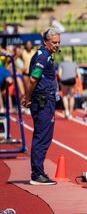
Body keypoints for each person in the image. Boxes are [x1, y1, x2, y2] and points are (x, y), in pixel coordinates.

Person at [21, 27, 61, 185]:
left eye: (58, 42)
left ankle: (38, 172)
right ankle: (37, 174)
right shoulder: (43, 57)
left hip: (45, 99)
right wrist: (27, 97)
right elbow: (33, 79)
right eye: (54, 42)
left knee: (44, 136)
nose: (57, 45)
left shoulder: (46, 56)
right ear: (46, 42)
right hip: (43, 101)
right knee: (42, 137)